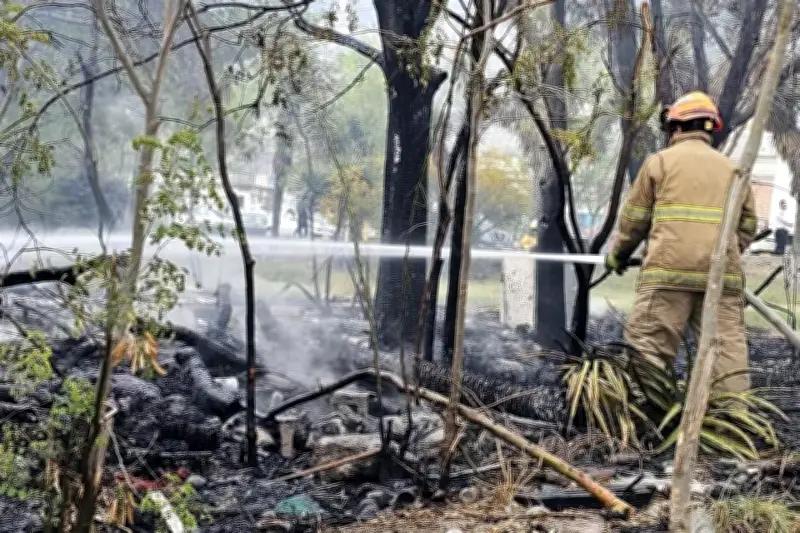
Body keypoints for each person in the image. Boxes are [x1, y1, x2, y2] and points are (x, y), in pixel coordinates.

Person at [604, 91, 758, 394]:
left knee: (649, 349)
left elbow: (634, 221)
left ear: (675, 127)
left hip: (667, 275)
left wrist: (618, 255)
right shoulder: (733, 170)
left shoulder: (660, 163)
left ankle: (645, 418)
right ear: (709, 127)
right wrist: (724, 250)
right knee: (725, 356)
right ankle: (731, 425)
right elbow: (749, 225)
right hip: (720, 277)